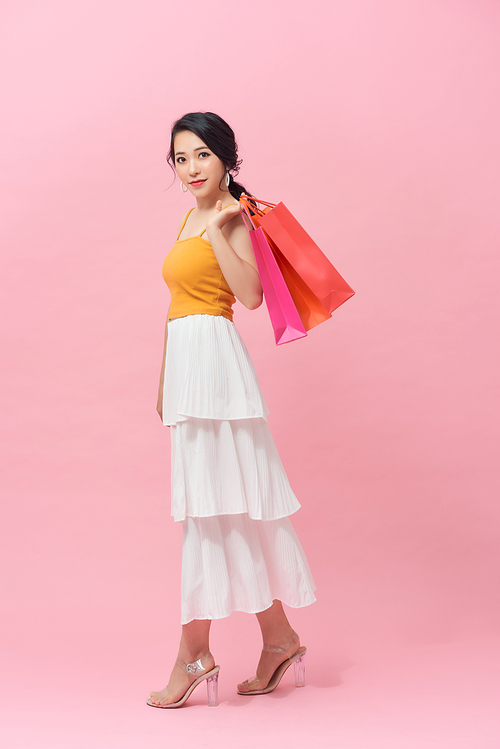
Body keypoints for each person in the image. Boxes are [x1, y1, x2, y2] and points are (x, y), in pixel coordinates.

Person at [148, 112, 316, 709]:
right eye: (180, 158)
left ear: (225, 159)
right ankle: (279, 640)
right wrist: (166, 379)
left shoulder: (231, 217)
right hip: (190, 373)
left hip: (219, 374)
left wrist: (222, 227)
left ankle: (194, 654)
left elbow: (247, 296)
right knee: (219, 509)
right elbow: (177, 306)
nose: (190, 168)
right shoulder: (186, 215)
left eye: (201, 156)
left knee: (215, 508)